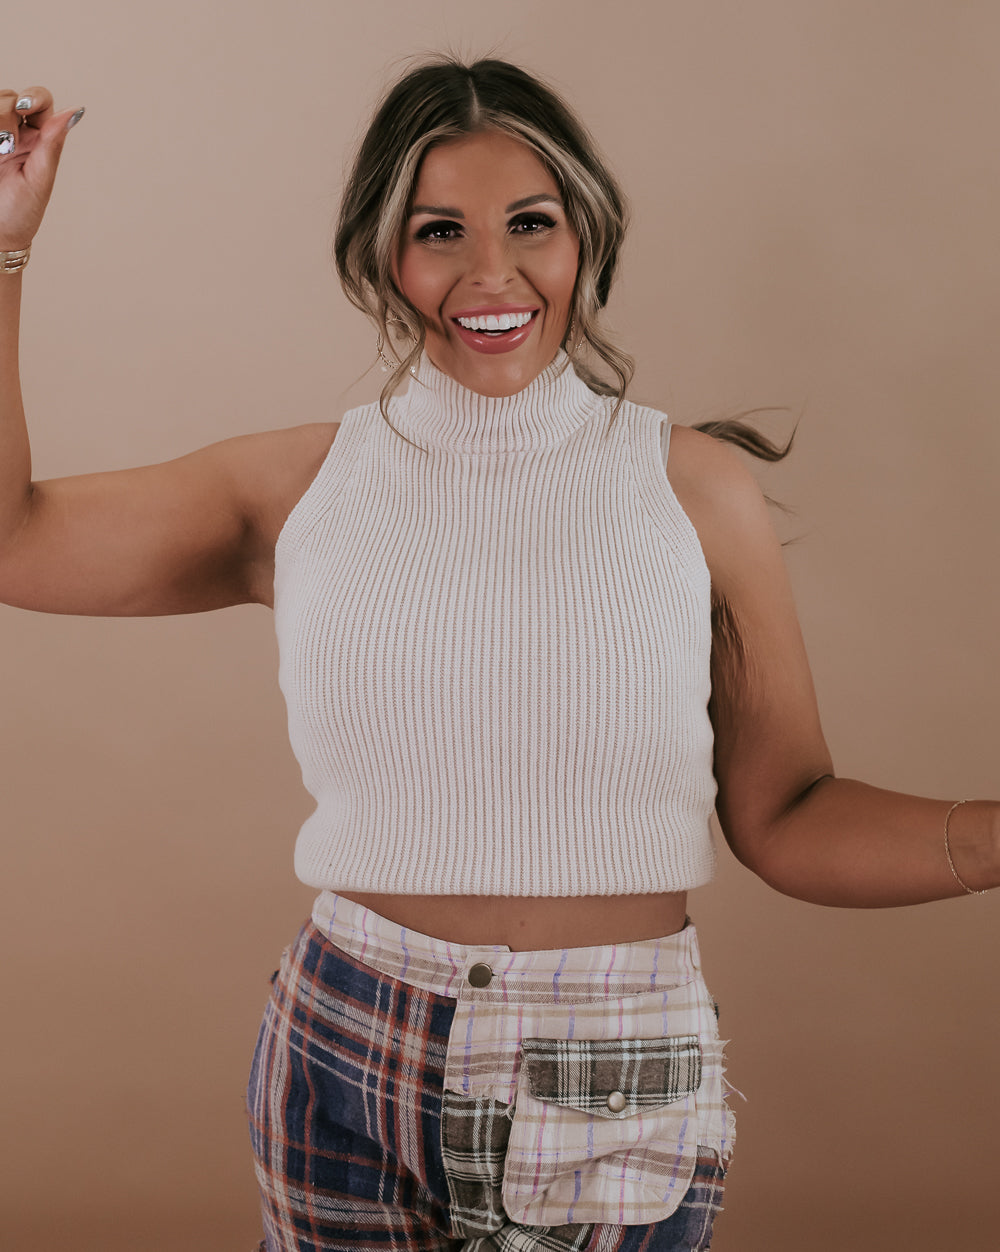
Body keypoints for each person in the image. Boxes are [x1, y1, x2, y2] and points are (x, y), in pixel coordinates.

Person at [0, 60, 996, 1252]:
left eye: (531, 223)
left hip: (609, 1063)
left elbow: (787, 815)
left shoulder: (694, 491)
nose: (491, 273)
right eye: (440, 232)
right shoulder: (296, 487)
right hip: (343, 1041)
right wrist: (4, 246)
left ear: (587, 238)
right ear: (382, 256)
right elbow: (15, 542)